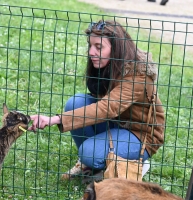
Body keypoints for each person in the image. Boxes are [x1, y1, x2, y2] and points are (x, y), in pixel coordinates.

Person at [28, 20, 165, 180]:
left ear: (116, 49)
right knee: (76, 103)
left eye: (99, 47)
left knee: (89, 151)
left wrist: (55, 119)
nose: (91, 52)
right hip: (117, 122)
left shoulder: (137, 74)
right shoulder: (109, 65)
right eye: (90, 46)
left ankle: (134, 161)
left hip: (140, 135)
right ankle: (91, 167)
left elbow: (107, 108)